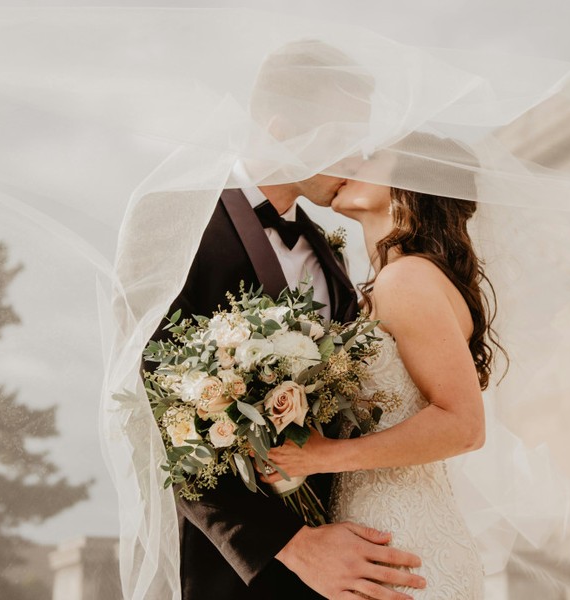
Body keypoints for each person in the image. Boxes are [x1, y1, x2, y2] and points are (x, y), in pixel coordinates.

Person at [147, 41, 427, 600]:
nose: (354, 160)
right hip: (238, 570)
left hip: (349, 556)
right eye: (342, 139)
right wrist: (293, 546)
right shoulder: (175, 222)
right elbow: (155, 412)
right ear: (279, 128)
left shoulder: (331, 254)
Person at [263, 140, 498, 598]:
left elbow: (465, 424)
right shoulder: (386, 282)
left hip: (403, 538)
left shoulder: (408, 278)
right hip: (372, 533)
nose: (347, 160)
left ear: (411, 184)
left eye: (369, 157)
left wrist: (320, 456)